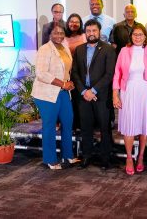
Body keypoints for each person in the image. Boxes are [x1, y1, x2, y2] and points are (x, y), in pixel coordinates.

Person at [31, 22, 79, 169]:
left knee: (68, 122)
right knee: (50, 126)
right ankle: (50, 159)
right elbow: (41, 74)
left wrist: (68, 82)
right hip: (46, 93)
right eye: (55, 33)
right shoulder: (45, 49)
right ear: (49, 34)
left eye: (61, 33)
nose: (59, 35)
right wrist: (63, 83)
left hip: (63, 92)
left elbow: (66, 69)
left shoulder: (64, 47)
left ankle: (68, 156)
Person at [71, 19, 116, 170]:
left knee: (105, 128)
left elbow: (109, 74)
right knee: (86, 128)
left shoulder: (108, 49)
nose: (91, 34)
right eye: (88, 31)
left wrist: (94, 90)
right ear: (85, 32)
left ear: (99, 32)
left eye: (94, 31)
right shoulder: (79, 49)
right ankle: (87, 156)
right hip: (84, 96)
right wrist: (84, 91)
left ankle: (105, 159)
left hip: (101, 95)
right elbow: (75, 73)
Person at [113, 24, 147, 175]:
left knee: (144, 125)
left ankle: (141, 157)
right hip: (129, 90)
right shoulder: (124, 51)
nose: (138, 37)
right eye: (135, 34)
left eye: (141, 34)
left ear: (145, 37)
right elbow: (117, 73)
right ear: (131, 36)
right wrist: (115, 94)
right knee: (130, 125)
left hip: (146, 91)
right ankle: (129, 157)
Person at [64, 13, 87, 132]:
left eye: (77, 22)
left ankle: (81, 124)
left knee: (80, 99)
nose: (74, 24)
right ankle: (70, 125)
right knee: (69, 100)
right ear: (68, 23)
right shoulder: (63, 37)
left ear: (80, 24)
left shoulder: (84, 35)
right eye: (71, 21)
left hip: (83, 71)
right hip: (67, 72)